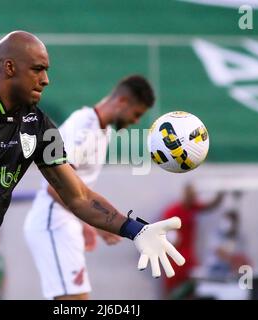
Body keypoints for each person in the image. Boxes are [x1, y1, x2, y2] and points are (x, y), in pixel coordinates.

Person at [0, 30, 185, 300]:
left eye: (46, 70)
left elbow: (78, 196)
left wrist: (135, 230)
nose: (46, 80)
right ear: (9, 68)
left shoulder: (39, 126)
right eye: (38, 69)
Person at [24, 75, 155, 300]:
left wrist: (86, 224)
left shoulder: (102, 129)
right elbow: (54, 187)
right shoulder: (83, 127)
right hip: (53, 223)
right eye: (137, 114)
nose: (135, 122)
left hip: (65, 221)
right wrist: (99, 223)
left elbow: (75, 185)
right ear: (122, 101)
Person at [161, 183, 224, 299]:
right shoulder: (173, 211)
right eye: (191, 195)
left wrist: (221, 194)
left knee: (192, 290)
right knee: (172, 291)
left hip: (189, 258)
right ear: (185, 195)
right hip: (175, 260)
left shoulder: (193, 207)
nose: (193, 198)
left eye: (194, 196)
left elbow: (210, 205)